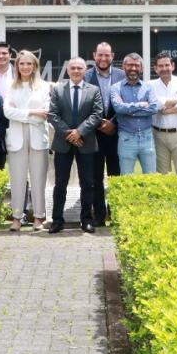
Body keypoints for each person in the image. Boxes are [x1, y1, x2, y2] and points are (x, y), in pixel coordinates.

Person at [48, 57, 104, 233]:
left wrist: (79, 132)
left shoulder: (93, 90)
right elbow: (53, 115)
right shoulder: (57, 90)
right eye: (73, 68)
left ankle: (86, 219)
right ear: (68, 70)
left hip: (86, 142)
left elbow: (97, 114)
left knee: (88, 183)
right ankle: (57, 220)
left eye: (80, 68)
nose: (76, 71)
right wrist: (70, 134)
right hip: (63, 143)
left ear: (85, 70)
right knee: (60, 183)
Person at [3, 50, 51, 231]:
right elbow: (7, 112)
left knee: (39, 178)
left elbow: (44, 114)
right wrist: (32, 112)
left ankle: (39, 217)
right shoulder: (11, 87)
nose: (25, 67)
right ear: (17, 66)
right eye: (21, 64)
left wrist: (20, 113)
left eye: (29, 64)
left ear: (35, 66)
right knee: (17, 179)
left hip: (38, 137)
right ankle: (16, 217)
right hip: (16, 139)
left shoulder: (44, 86)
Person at [85, 42, 124, 223]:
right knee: (95, 177)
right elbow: (84, 106)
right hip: (94, 135)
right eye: (100, 55)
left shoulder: (122, 76)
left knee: (116, 175)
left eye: (106, 55)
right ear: (94, 55)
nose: (103, 58)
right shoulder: (85, 77)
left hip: (116, 134)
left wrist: (113, 122)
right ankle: (99, 215)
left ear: (112, 56)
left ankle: (116, 214)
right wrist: (100, 122)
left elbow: (126, 101)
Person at [111, 53, 161, 175]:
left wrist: (128, 110)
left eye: (136, 65)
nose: (133, 68)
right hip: (126, 138)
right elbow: (118, 108)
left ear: (141, 68)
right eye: (130, 65)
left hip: (147, 137)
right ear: (123, 66)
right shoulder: (116, 88)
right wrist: (140, 105)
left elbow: (154, 108)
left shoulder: (148, 87)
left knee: (151, 179)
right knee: (126, 180)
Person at [149, 52, 177, 176]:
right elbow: (154, 104)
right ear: (155, 68)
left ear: (172, 66)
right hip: (158, 136)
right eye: (161, 66)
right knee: (162, 176)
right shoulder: (150, 85)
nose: (164, 69)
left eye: (167, 65)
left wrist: (165, 109)